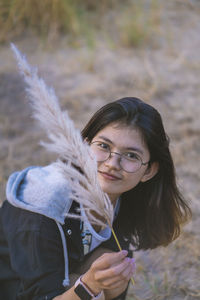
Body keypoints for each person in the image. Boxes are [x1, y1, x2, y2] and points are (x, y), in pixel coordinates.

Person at [0, 97, 191, 300]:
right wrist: (88, 286)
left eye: (131, 156)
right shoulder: (42, 205)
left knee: (110, 270)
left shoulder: (124, 195)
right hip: (13, 287)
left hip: (62, 282)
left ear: (149, 171)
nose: (113, 163)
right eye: (104, 146)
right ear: (84, 146)